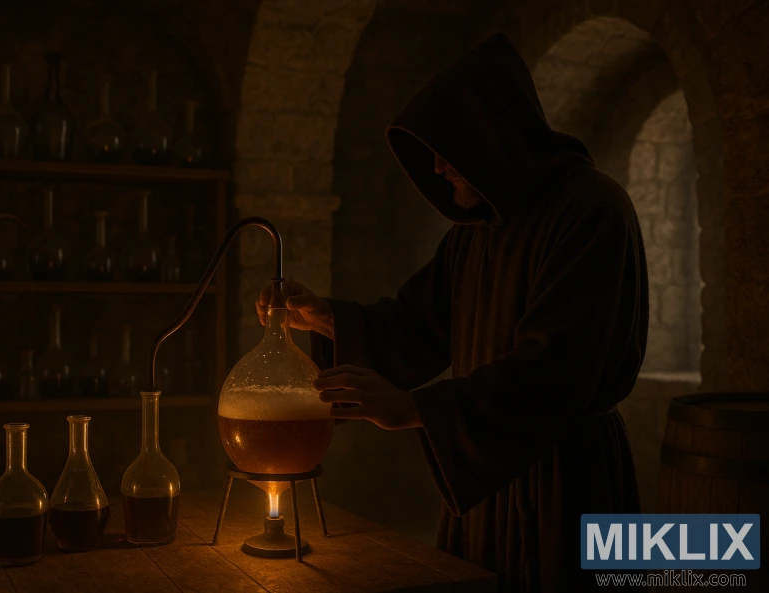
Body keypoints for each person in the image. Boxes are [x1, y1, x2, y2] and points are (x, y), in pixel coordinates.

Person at [257, 33, 648, 593]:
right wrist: (321, 317)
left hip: (566, 480)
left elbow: (554, 373)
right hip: (485, 489)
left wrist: (415, 408)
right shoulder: (477, 234)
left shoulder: (592, 212)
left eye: (449, 148)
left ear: (492, 134)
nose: (438, 167)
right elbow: (417, 325)